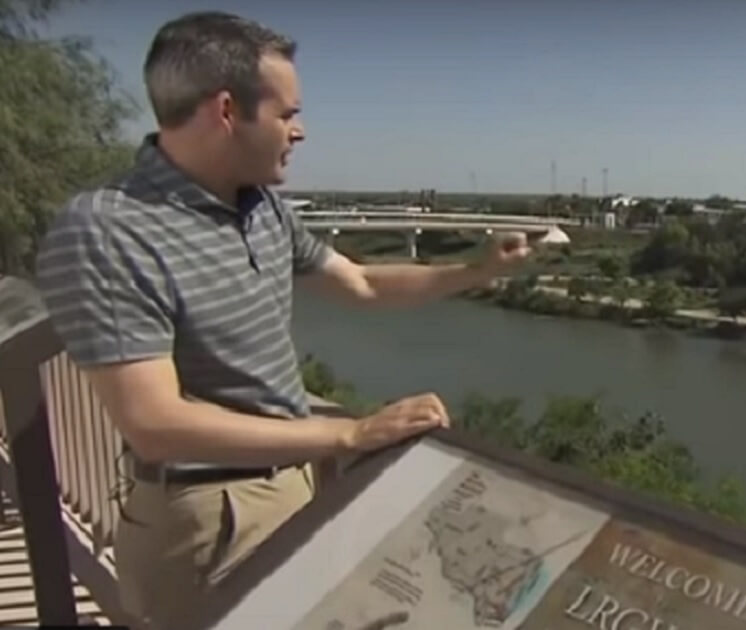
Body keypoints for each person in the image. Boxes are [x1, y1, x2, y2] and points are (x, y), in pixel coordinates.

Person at [33, 11, 531, 629]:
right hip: (211, 521)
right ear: (225, 111)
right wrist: (349, 435)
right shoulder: (108, 231)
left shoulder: (260, 206)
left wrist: (479, 271)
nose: (301, 132)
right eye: (288, 114)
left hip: (291, 482)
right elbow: (156, 424)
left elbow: (363, 282)